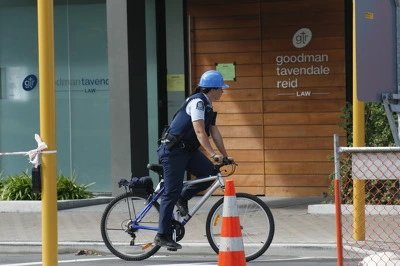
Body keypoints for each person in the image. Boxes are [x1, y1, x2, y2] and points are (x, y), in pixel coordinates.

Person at [154, 70, 232, 249]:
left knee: (210, 173)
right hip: (172, 152)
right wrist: (213, 154)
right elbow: (199, 131)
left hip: (187, 152)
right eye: (221, 88)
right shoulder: (197, 102)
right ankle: (162, 235)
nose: (223, 91)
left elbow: (214, 132)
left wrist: (225, 156)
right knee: (171, 191)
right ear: (213, 89)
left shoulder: (209, 106)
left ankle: (183, 197)